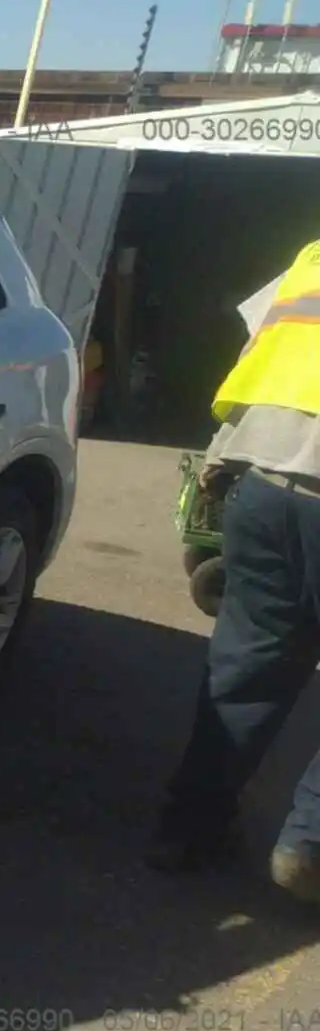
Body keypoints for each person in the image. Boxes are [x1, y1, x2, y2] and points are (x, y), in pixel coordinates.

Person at [146, 235, 320, 902]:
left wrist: (221, 463)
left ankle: (187, 829)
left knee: (248, 667)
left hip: (266, 489)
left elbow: (256, 356)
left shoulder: (310, 260)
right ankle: (309, 848)